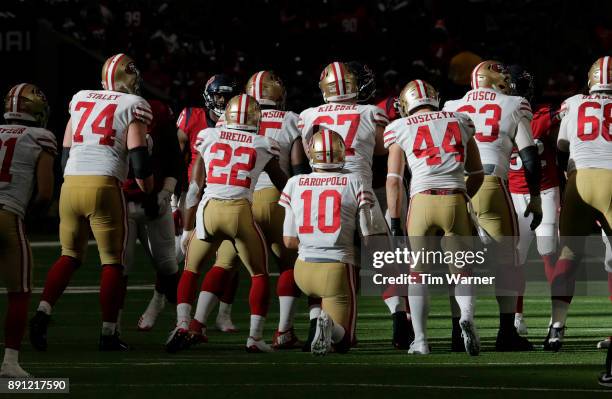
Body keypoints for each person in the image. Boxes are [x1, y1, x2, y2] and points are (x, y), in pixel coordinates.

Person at [30, 53, 154, 351]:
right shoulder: (133, 105)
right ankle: (109, 333)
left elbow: (66, 150)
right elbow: (138, 157)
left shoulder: (81, 98)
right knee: (112, 262)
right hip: (104, 184)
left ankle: (43, 312)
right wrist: (148, 189)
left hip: (71, 182)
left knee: (69, 255)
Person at [189, 71, 310, 348]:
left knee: (223, 264)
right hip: (276, 198)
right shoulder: (291, 119)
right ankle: (283, 331)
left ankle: (196, 324)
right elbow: (297, 167)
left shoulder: (225, 120)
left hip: (240, 196)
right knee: (288, 265)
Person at [299, 61, 409, 349]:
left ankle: (315, 323)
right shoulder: (371, 112)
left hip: (321, 192)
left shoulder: (309, 115)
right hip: (359, 190)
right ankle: (399, 319)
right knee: (382, 259)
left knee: (322, 258)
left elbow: (308, 151)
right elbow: (383, 148)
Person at [166, 94, 288, 353]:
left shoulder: (209, 136)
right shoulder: (264, 143)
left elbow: (195, 187)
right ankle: (255, 337)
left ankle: (184, 323)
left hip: (209, 209)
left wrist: (188, 224)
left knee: (191, 269)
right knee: (259, 274)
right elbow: (281, 182)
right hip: (239, 212)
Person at [444, 60, 542, 351]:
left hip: (455, 187)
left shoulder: (452, 104)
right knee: (507, 261)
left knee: (458, 261)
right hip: (489, 183)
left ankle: (457, 330)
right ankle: (506, 333)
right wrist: (535, 197)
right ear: (494, 80)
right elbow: (529, 156)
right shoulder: (514, 103)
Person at [386, 80, 484, 355]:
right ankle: (466, 316)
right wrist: (462, 196)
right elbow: (477, 173)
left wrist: (395, 222)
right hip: (454, 197)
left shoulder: (399, 127)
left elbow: (393, 181)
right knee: (463, 271)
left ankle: (421, 340)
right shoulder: (459, 119)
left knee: (417, 274)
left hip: (422, 201)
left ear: (406, 104)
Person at [281, 128, 385, 355]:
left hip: (303, 270)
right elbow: (368, 237)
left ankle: (318, 317)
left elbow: (289, 241)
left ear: (311, 154)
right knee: (344, 341)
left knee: (323, 301)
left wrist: (314, 244)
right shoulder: (354, 181)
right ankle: (327, 325)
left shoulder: (295, 182)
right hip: (336, 268)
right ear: (342, 153)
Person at [548, 56, 612, 353]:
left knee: (568, 256)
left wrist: (570, 179)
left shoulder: (574, 102)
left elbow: (561, 148)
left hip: (579, 178)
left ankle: (555, 329)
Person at [172, 74, 239, 332]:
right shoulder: (192, 119)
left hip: (224, 194)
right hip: (201, 196)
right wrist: (172, 196)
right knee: (179, 257)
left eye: (228, 96)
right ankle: (165, 310)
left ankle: (219, 315)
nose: (222, 101)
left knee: (227, 262)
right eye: (218, 95)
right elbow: (180, 164)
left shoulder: (241, 122)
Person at [0, 84, 55, 376]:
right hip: (7, 216)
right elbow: (45, 193)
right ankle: (9, 363)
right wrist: (28, 217)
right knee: (19, 293)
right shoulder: (42, 137)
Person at [507, 65, 562, 335]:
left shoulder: (543, 115)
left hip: (546, 191)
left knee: (548, 252)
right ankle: (517, 316)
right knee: (515, 257)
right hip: (514, 193)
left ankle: (556, 319)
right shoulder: (502, 115)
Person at [122, 98, 182, 331]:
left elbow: (175, 160)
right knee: (120, 266)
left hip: (154, 199)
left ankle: (182, 321)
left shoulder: (159, 114)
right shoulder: (106, 116)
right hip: (122, 200)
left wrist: (166, 193)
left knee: (167, 263)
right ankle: (110, 327)